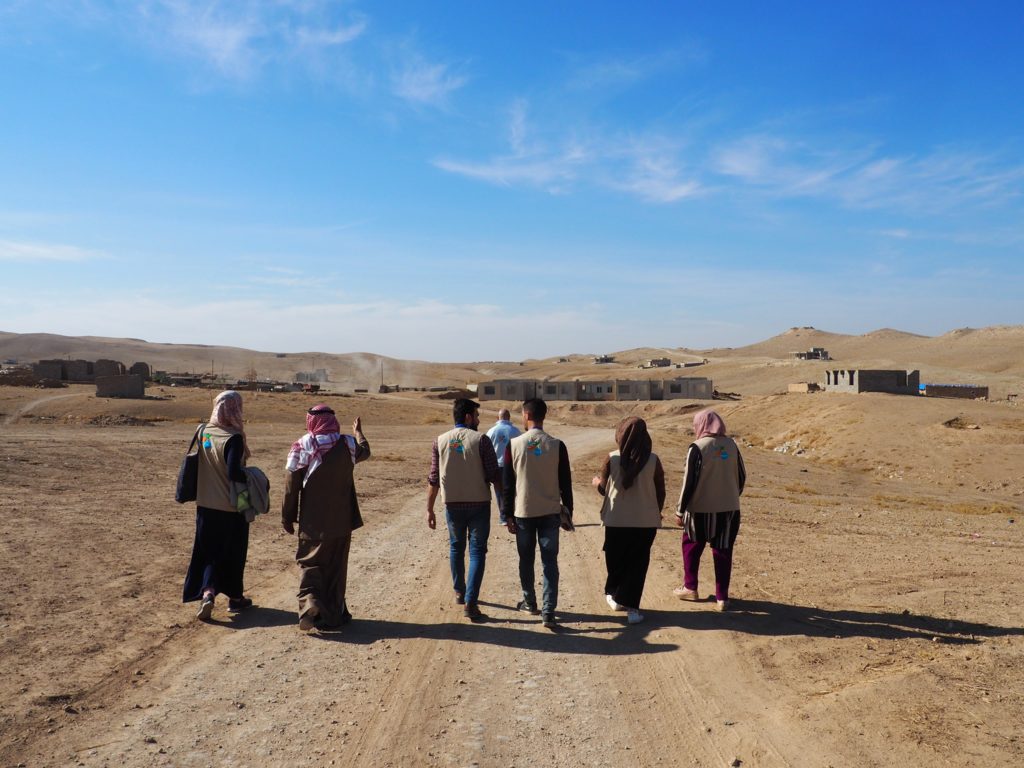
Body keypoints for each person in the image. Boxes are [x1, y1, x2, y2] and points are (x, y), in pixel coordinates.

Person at [282, 405, 370, 632]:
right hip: (341, 522)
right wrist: (358, 431)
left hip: (313, 523)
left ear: (311, 422)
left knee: (311, 564)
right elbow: (365, 450)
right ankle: (333, 616)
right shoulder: (348, 444)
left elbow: (291, 488)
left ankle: (310, 604)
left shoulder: (302, 446)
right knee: (336, 569)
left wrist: (287, 517)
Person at [427, 398, 501, 621]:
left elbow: (433, 479)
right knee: (477, 552)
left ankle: (459, 591)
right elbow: (494, 476)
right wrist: (504, 507)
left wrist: (429, 509)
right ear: (468, 417)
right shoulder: (482, 440)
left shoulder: (439, 441)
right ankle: (471, 602)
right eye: (476, 416)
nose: (478, 420)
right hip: (478, 505)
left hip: (452, 505)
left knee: (456, 547)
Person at [183, 390, 254, 621]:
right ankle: (235, 598)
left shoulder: (204, 431)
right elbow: (234, 472)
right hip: (231, 507)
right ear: (235, 408)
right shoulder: (233, 437)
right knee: (234, 553)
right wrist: (253, 477)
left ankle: (208, 593)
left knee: (209, 553)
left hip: (205, 505)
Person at [503, 397, 573, 629]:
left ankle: (530, 602)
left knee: (526, 559)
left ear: (525, 415)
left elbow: (507, 485)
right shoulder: (557, 445)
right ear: (544, 416)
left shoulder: (513, 445)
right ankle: (549, 611)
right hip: (550, 513)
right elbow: (566, 482)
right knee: (549, 562)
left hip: (523, 512)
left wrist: (507, 514)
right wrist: (568, 511)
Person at [592, 416, 666, 625]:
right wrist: (656, 511)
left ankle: (615, 595)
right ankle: (632, 608)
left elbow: (603, 489)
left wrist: (597, 482)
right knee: (638, 564)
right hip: (645, 522)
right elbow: (660, 492)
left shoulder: (611, 458)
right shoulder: (653, 460)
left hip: (616, 521)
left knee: (616, 560)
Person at [673, 408, 746, 611]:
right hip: (730, 509)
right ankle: (722, 598)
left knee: (691, 544)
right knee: (723, 550)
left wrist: (680, 511)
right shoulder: (732, 445)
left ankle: (690, 587)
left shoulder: (697, 447)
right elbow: (741, 476)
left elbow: (689, 482)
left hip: (700, 510)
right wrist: (731, 495)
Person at [485, 408, 521, 524]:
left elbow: (486, 450)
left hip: (497, 465)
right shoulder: (515, 431)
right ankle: (512, 514)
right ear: (509, 417)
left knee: (499, 491)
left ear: (498, 418)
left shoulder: (491, 432)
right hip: (511, 466)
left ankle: (503, 517)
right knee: (511, 491)